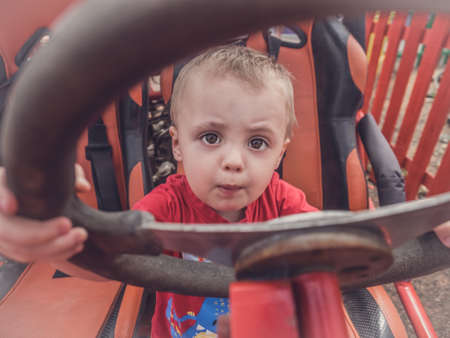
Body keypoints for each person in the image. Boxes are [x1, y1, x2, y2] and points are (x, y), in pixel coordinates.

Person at [0, 45, 449, 337]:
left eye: (257, 143)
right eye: (211, 137)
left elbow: (344, 241)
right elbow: (106, 261)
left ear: (279, 154)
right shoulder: (166, 206)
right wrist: (52, 237)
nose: (233, 161)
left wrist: (430, 229)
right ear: (177, 144)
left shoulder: (284, 202)